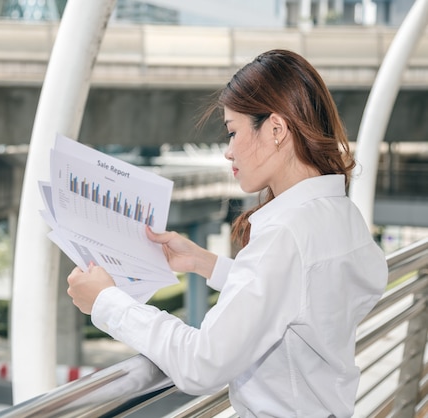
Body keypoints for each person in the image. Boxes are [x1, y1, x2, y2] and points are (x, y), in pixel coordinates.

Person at [66, 49, 388, 417]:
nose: (228, 152)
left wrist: (107, 301)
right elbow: (301, 296)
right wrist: (207, 264)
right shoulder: (339, 213)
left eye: (233, 132)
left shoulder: (286, 235)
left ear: (276, 129)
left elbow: (202, 363)